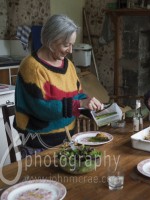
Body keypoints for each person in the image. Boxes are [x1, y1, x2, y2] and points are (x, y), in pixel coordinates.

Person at [14, 14, 103, 149]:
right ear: (51, 40)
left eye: (72, 45)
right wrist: (79, 104)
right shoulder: (32, 67)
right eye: (66, 45)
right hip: (39, 143)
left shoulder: (68, 65)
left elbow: (77, 96)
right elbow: (42, 108)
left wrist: (89, 104)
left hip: (67, 140)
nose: (71, 50)